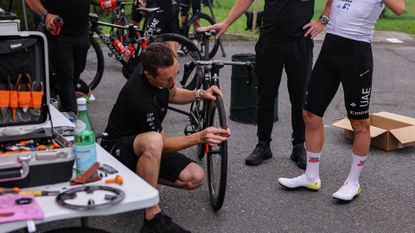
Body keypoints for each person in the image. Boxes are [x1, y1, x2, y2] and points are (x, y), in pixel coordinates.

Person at [278, 0, 405, 201]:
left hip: (357, 52)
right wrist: (323, 19)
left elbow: (399, 8)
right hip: (331, 47)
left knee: (359, 123)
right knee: (310, 113)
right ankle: (311, 175)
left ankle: (353, 182)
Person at [101, 43, 229, 233]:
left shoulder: (156, 72)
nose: (173, 81)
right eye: (167, 78)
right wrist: (199, 137)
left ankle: (141, 177)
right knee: (154, 140)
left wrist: (201, 94)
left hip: (146, 147)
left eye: (175, 74)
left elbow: (173, 93)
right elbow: (160, 144)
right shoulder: (139, 99)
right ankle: (152, 217)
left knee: (195, 177)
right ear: (148, 75)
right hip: (117, 151)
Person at [203, 0, 327, 169]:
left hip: (300, 41)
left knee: (299, 97)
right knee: (265, 95)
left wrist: (322, 20)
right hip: (270, 41)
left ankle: (299, 145)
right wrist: (226, 22)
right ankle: (263, 144)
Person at [25, 0, 92, 113]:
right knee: (66, 78)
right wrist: (46, 14)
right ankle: (71, 118)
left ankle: (61, 106)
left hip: (82, 31)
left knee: (75, 73)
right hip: (59, 33)